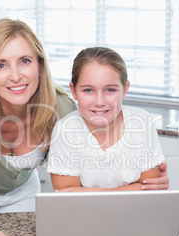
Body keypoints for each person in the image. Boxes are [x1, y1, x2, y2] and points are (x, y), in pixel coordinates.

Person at [0, 19, 169, 236]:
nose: (16, 76)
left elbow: (94, 164)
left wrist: (149, 184)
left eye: (25, 61)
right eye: (1, 65)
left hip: (25, 192)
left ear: (39, 64)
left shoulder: (61, 109)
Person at [47, 47, 166, 191]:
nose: (99, 102)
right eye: (88, 90)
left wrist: (85, 193)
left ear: (125, 89)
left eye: (110, 90)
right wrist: (133, 189)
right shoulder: (64, 131)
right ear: (73, 91)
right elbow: (67, 197)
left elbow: (149, 191)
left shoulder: (142, 122)